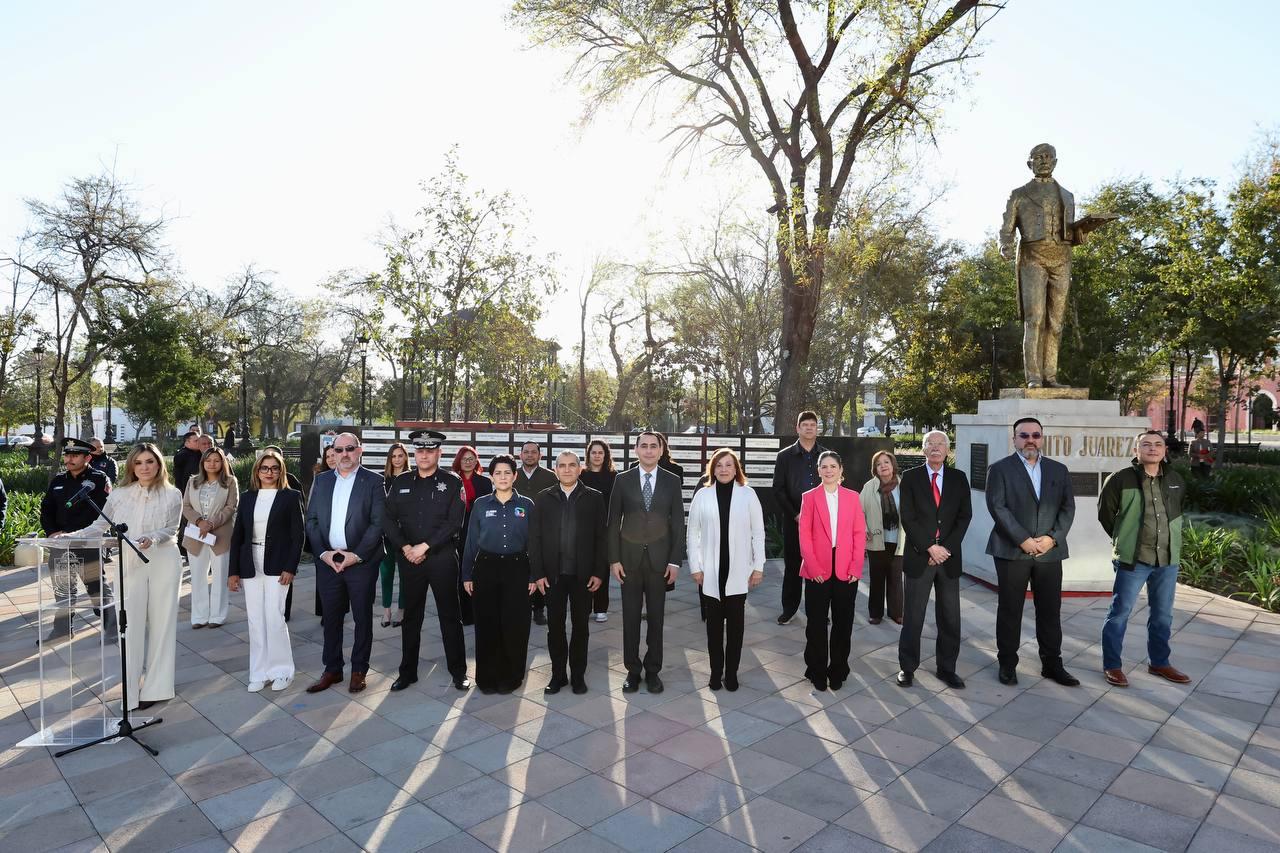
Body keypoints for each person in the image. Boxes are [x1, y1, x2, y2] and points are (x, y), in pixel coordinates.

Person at [65, 443, 182, 711]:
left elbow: (172, 528)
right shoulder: (119, 495)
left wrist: (151, 538)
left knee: (162, 624)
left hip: (163, 559)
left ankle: (157, 687)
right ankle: (130, 688)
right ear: (131, 466)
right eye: (139, 462)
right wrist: (70, 537)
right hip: (128, 562)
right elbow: (99, 526)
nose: (144, 467)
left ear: (159, 464)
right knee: (129, 626)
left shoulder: (172, 493)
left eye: (150, 462)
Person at [985, 417, 1079, 686]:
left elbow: (1067, 508)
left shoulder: (1058, 470)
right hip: (1012, 552)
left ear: (1042, 438)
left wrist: (1052, 539)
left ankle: (1052, 665)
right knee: (1010, 610)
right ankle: (1007, 665)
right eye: (1023, 435)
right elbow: (997, 507)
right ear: (1014, 439)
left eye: (1035, 435)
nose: (1030, 440)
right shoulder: (1000, 469)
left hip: (1050, 553)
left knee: (1050, 611)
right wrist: (1023, 540)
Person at [1098, 430, 1192, 688]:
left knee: (1163, 616)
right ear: (1136, 450)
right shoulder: (1120, 479)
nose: (1153, 448)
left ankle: (1159, 662)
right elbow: (1106, 515)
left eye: (1158, 444)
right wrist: (1125, 539)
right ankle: (1112, 666)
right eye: (1146, 444)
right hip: (1133, 559)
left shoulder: (1175, 480)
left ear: (1164, 451)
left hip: (1167, 559)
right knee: (1119, 613)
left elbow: (1177, 511)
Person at [384, 431, 471, 692]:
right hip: (411, 560)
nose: (424, 455)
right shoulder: (400, 482)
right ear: (415, 454)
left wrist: (425, 545)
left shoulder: (452, 482)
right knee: (411, 618)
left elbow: (455, 522)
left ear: (439, 453)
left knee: (450, 617)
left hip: (442, 559)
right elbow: (387, 519)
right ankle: (407, 672)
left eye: (430, 450)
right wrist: (406, 547)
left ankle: (459, 672)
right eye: (420, 451)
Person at [304, 433, 385, 694]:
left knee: (362, 617)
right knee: (331, 617)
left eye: (350, 449)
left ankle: (359, 670)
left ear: (359, 451)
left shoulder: (374, 481)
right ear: (333, 453)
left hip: (361, 561)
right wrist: (323, 554)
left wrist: (357, 555)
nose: (345, 454)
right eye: (339, 450)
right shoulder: (322, 480)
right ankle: (332, 669)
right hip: (328, 561)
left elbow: (377, 523)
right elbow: (312, 520)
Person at [608, 431, 686, 694]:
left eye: (654, 446)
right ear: (636, 450)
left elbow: (677, 523)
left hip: (659, 562)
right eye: (644, 446)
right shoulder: (622, 480)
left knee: (656, 618)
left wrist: (675, 561)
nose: (649, 451)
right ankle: (632, 670)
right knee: (630, 618)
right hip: (628, 561)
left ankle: (653, 671)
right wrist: (614, 559)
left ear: (661, 450)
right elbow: (612, 522)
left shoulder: (672, 481)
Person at [897, 431, 972, 690]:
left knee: (950, 617)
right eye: (931, 443)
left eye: (941, 444)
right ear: (923, 448)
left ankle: (947, 668)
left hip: (948, 560)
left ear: (948, 450)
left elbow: (964, 517)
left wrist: (944, 550)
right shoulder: (910, 478)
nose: (936, 448)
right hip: (920, 557)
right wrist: (930, 548)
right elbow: (907, 517)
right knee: (914, 616)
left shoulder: (959, 478)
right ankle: (907, 667)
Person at [529, 451, 608, 695]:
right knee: (555, 627)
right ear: (555, 470)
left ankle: (578, 676)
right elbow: (535, 538)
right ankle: (558, 675)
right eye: (561, 466)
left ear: (579, 468)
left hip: (583, 576)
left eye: (571, 465)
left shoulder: (594, 497)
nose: (566, 469)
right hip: (553, 576)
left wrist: (598, 571)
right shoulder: (543, 498)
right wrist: (538, 573)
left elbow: (601, 538)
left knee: (581, 627)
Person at [687, 448, 765, 691]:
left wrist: (759, 567)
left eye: (728, 465)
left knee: (735, 629)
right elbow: (693, 533)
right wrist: (695, 567)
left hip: (739, 572)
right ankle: (715, 672)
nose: (723, 469)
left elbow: (758, 533)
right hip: (710, 572)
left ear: (736, 468)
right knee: (712, 630)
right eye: (719, 465)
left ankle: (731, 674)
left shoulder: (748, 494)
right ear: (712, 468)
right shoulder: (703, 495)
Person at [228, 449, 304, 692]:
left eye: (274, 468)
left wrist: (290, 567)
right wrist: (233, 571)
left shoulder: (290, 497)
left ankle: (282, 671)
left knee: (274, 616)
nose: (269, 472)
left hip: (278, 563)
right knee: (255, 620)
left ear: (281, 471)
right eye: (264, 468)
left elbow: (297, 535)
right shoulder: (249, 497)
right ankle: (259, 672)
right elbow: (237, 535)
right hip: (250, 561)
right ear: (257, 471)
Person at [462, 454, 536, 695]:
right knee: (487, 624)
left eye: (507, 473)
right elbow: (471, 542)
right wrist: (467, 575)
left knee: (515, 624)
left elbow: (535, 543)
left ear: (515, 476)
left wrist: (534, 575)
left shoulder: (527, 505)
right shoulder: (481, 505)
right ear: (491, 477)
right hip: (486, 568)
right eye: (498, 473)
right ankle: (487, 676)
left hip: (517, 568)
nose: (503, 477)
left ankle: (512, 675)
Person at [797, 451, 866, 691]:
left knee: (843, 623)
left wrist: (856, 567)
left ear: (840, 469)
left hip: (846, 568)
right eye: (824, 466)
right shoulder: (809, 497)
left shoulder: (853, 497)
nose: (828, 470)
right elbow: (804, 535)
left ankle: (838, 669)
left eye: (832, 466)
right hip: (818, 567)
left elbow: (859, 534)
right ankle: (816, 670)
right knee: (816, 623)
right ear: (818, 471)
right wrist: (813, 566)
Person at [39, 438, 115, 641]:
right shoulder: (58, 480)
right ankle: (63, 629)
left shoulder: (98, 479)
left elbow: (107, 511)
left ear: (87, 457)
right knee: (62, 588)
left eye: (74, 455)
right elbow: (46, 509)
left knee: (96, 586)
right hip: (61, 542)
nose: (69, 459)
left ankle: (111, 628)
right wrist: (52, 532)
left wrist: (87, 533)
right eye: (67, 455)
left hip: (88, 541)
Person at [772, 410, 826, 625]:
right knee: (793, 566)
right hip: (794, 520)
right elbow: (778, 489)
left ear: (817, 428)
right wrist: (795, 515)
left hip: (821, 523)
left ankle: (819, 610)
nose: (809, 427)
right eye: (805, 424)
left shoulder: (827, 455)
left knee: (820, 566)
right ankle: (789, 609)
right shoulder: (784, 456)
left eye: (813, 424)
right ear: (798, 428)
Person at [182, 446, 239, 629]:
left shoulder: (230, 482)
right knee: (197, 577)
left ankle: (217, 616)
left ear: (222, 462)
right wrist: (199, 522)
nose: (212, 464)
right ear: (202, 463)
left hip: (220, 535)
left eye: (216, 460)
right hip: (196, 535)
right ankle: (199, 616)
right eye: (208, 460)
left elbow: (231, 507)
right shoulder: (193, 482)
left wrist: (211, 524)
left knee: (220, 576)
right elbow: (186, 506)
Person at [860, 451, 904, 626]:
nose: (883, 466)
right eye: (879, 464)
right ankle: (875, 613)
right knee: (877, 579)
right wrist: (863, 528)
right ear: (875, 469)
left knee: (895, 578)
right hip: (876, 540)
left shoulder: (904, 485)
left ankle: (896, 613)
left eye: (887, 462)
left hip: (899, 540)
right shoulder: (869, 487)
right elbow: (858, 511)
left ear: (893, 465)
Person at [515, 440, 557, 626]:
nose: (530, 455)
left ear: (540, 455)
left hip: (542, 530)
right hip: (517, 529)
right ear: (520, 454)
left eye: (534, 452)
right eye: (526, 452)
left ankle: (539, 609)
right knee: (520, 570)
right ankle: (521, 607)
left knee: (539, 567)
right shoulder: (512, 475)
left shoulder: (550, 476)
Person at [451, 444, 491, 626]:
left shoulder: (484, 482)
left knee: (478, 572)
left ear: (476, 461)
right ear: (458, 460)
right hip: (456, 533)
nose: (468, 462)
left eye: (471, 459)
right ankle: (463, 612)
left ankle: (478, 611)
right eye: (464, 458)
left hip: (477, 532)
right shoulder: (451, 480)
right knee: (460, 573)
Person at [581, 439, 618, 623]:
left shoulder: (614, 476)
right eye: (593, 452)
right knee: (585, 567)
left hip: (605, 528)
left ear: (606, 455)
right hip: (584, 529)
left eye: (600, 452)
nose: (597, 456)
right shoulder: (582, 475)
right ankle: (585, 607)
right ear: (588, 455)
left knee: (602, 568)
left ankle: (601, 608)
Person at [379, 441, 411, 628]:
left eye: (400, 455)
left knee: (405, 574)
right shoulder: (383, 480)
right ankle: (386, 610)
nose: (397, 459)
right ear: (389, 459)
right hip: (386, 534)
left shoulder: (413, 479)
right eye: (394, 456)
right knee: (386, 573)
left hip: (407, 535)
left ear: (406, 457)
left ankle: (401, 609)